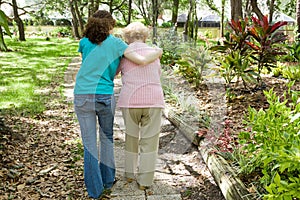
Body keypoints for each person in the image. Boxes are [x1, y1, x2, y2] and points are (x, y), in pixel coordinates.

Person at [73, 11, 162, 199]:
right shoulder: (117, 44)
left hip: (82, 94)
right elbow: (142, 61)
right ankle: (108, 180)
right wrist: (157, 52)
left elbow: (90, 64)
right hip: (104, 94)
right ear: (110, 26)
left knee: (89, 144)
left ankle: (95, 190)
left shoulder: (83, 42)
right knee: (106, 138)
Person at [117, 22, 165, 190]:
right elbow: (157, 74)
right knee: (149, 142)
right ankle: (145, 181)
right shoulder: (154, 53)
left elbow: (115, 73)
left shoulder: (124, 54)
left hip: (130, 102)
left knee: (131, 138)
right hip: (153, 101)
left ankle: (130, 175)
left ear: (126, 38)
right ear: (145, 37)